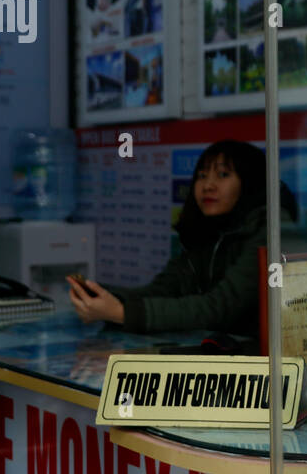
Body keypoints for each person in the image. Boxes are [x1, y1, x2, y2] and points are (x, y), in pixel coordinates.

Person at [68, 140, 267, 335]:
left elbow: (219, 308)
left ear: (250, 181)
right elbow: (161, 291)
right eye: (202, 175)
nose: (208, 185)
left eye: (223, 175)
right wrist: (100, 296)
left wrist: (122, 313)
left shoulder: (268, 230)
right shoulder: (207, 231)